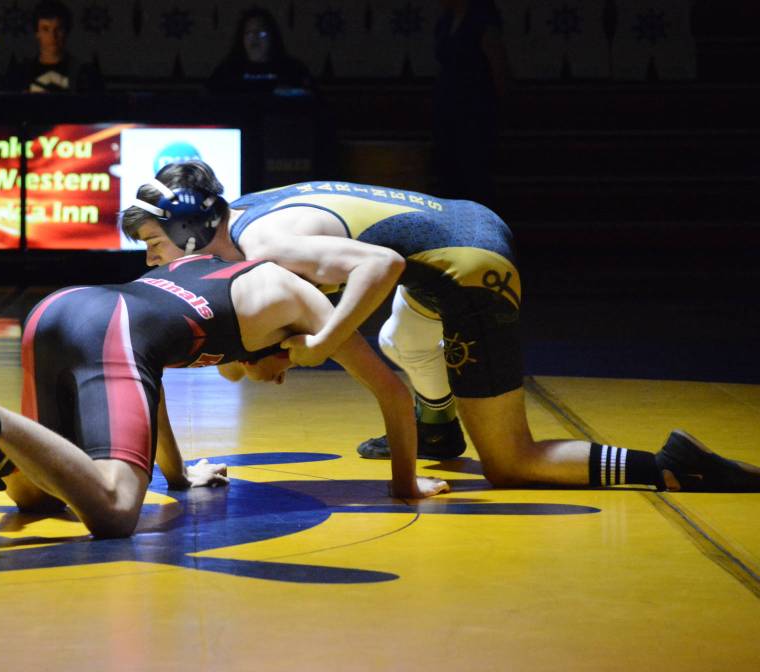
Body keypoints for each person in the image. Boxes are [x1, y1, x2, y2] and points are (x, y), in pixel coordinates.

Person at [121, 160, 760, 495]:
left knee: (512, 461)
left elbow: (382, 264)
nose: (149, 258)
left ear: (188, 230)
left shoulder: (268, 246)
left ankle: (674, 466)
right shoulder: (235, 223)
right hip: (454, 230)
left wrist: (321, 344)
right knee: (401, 340)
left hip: (467, 267)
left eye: (153, 243)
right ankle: (436, 428)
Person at [0, 202, 449, 535]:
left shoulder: (198, 268)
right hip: (116, 329)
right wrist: (405, 484)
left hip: (61, 307)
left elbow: (150, 388)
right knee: (117, 511)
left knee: (38, 497)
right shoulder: (301, 298)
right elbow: (392, 393)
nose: (281, 376)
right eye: (285, 369)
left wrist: (179, 476)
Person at [432, 0, 509, 209]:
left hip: (475, 108)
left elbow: (498, 65)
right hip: (448, 108)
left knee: (474, 171)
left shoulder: (482, 18)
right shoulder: (445, 21)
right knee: (450, 171)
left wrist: (498, 106)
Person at [4, 0, 103, 93]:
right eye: (45, 29)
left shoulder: (85, 74)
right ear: (37, 33)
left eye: (58, 29)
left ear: (66, 31)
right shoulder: (21, 73)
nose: (53, 36)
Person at [206, 7, 311, 94]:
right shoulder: (227, 70)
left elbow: (313, 99)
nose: (254, 37)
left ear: (272, 38)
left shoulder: (292, 69)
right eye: (249, 33)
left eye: (261, 33)